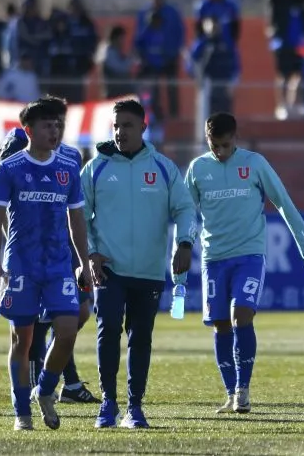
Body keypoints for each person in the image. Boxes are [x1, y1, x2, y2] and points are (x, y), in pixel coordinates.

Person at [185, 112, 304, 414]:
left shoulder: (255, 164)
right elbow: (184, 212)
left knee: (240, 315)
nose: (220, 152)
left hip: (249, 255)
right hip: (213, 258)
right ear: (207, 141)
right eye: (214, 145)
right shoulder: (197, 169)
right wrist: (179, 252)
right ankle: (231, 391)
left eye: (225, 145)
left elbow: (283, 202)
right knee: (220, 325)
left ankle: (243, 389)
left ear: (235, 138)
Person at [80, 99, 197, 428]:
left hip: (148, 270)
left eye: (127, 125)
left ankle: (135, 407)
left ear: (144, 128)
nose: (120, 132)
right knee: (107, 332)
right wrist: (90, 253)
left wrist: (185, 242)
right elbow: (77, 215)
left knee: (141, 337)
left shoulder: (163, 168)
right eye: (116, 125)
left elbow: (185, 210)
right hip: (109, 269)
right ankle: (108, 403)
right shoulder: (96, 168)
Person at [0, 98, 91, 431]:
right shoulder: (10, 168)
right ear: (29, 130)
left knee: (68, 330)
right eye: (48, 125)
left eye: (58, 125)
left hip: (58, 265)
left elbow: (77, 221)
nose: (55, 131)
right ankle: (21, 411)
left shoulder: (68, 168)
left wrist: (84, 263)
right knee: (22, 339)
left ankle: (44, 390)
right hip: (21, 266)